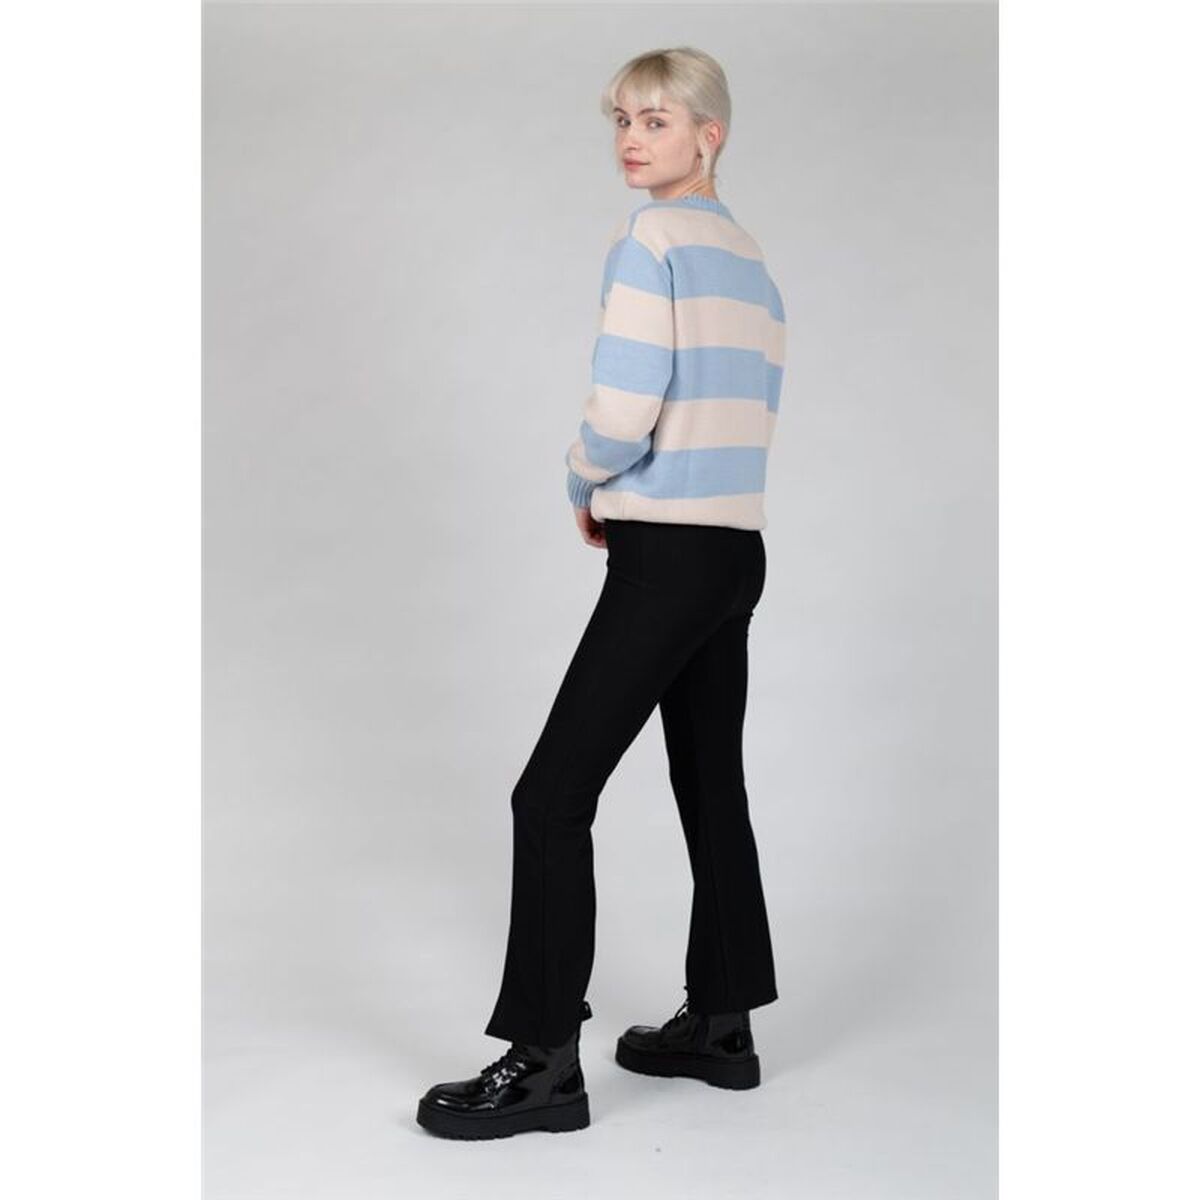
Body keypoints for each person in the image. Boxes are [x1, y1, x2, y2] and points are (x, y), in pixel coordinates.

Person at [417, 46, 787, 1140]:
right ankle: (722, 1025)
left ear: (711, 134)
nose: (632, 138)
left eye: (657, 120)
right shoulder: (752, 261)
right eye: (622, 119)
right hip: (734, 551)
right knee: (711, 785)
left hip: (667, 553)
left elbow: (625, 409)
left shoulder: (651, 240)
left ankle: (543, 1064)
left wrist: (584, 478)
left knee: (549, 797)